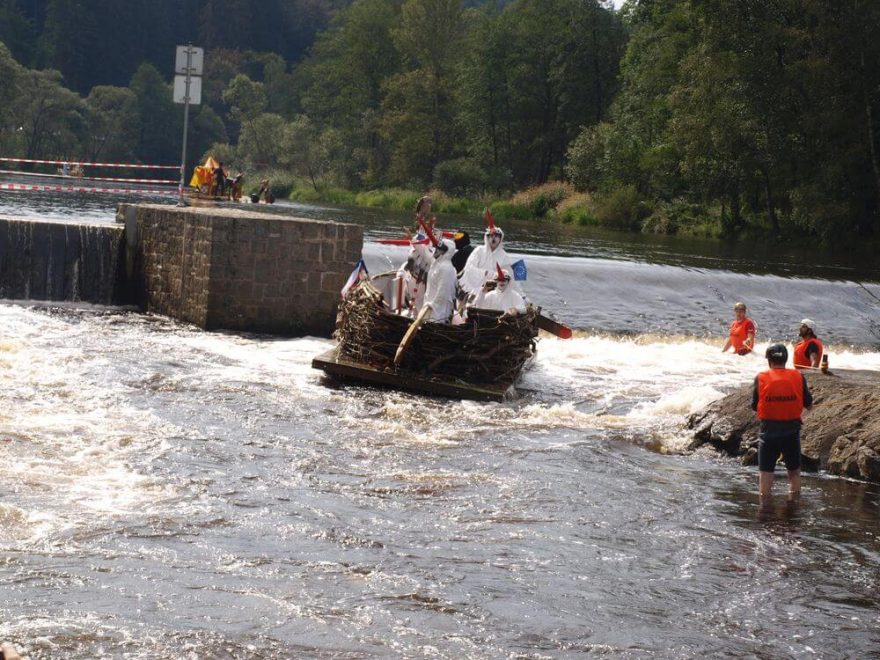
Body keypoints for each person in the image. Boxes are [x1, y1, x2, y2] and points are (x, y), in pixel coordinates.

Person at [751, 343, 813, 504]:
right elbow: (809, 403)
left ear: (769, 361)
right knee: (794, 472)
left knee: (765, 473)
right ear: (786, 360)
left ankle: (765, 510)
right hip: (791, 432)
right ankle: (794, 506)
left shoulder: (761, 377)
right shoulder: (798, 376)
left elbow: (754, 405)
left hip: (768, 432)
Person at [459, 209, 513, 295]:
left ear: (500, 238)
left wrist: (523, 297)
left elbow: (511, 278)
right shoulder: (479, 250)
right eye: (491, 236)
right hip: (473, 289)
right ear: (487, 238)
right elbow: (469, 267)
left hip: (494, 292)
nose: (493, 238)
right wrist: (485, 273)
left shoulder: (504, 256)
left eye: (496, 236)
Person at [423, 238, 458, 323]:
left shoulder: (446, 268)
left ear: (446, 252)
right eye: (436, 248)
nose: (436, 250)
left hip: (438, 313)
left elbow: (443, 292)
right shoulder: (436, 264)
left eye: (440, 249)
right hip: (428, 308)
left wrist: (431, 306)